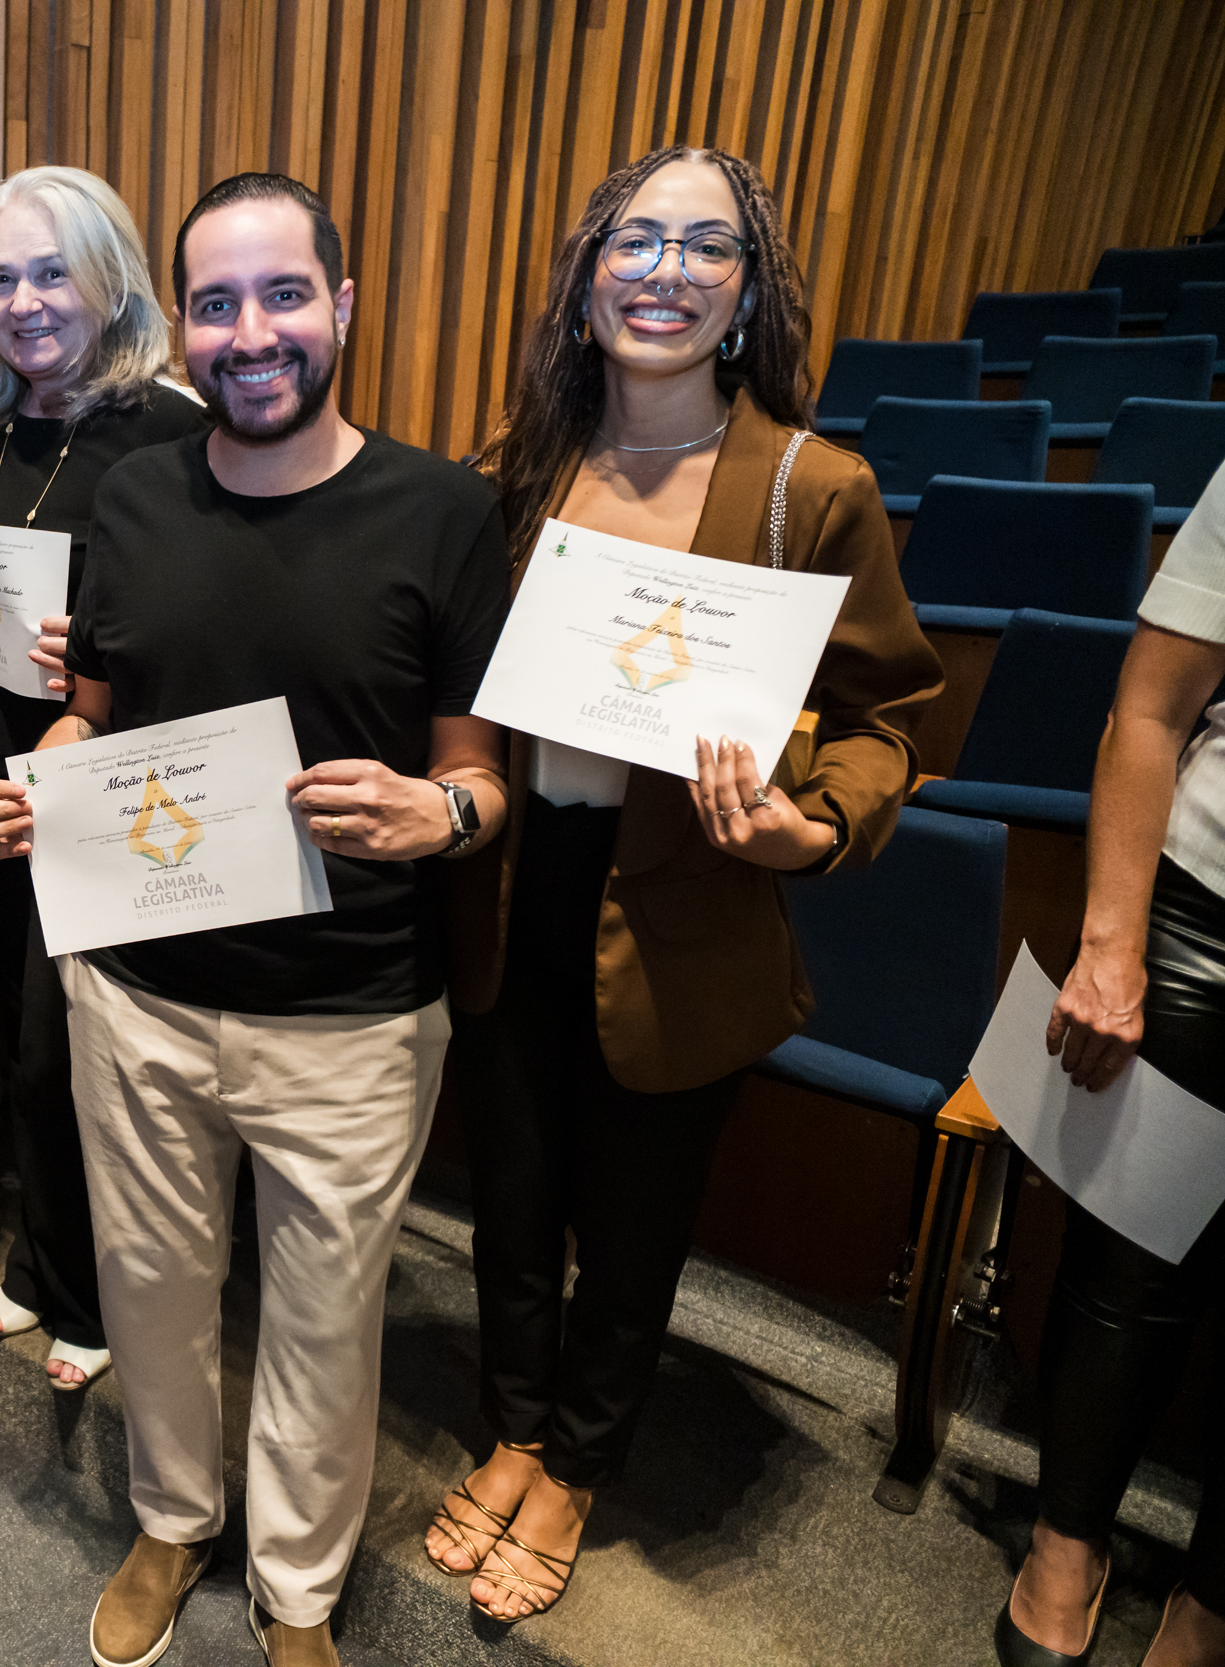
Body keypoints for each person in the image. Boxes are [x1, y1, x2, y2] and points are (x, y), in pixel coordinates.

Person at [0, 173, 511, 1667]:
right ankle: (174, 1511)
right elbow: (95, 710)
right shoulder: (134, 495)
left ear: (343, 305)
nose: (250, 331)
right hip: (134, 989)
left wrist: (432, 813)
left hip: (354, 1006)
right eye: (217, 302)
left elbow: (479, 776)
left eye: (283, 295)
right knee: (149, 1285)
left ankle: (301, 1586)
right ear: (182, 322)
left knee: (330, 1324)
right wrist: (37, 784)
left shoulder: (445, 509)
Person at [434, 147, 940, 1623]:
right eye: (634, 242)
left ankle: (581, 1460)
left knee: (636, 1217)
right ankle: (517, 1424)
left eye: (703, 247)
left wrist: (816, 828)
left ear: (745, 291)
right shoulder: (510, 470)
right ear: (588, 281)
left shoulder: (813, 486)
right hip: (517, 875)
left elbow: (892, 718)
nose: (663, 270)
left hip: (690, 899)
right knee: (513, 1192)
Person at [0, 165, 207, 1389]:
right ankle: (43, 1266)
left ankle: (91, 1292)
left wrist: (99, 649)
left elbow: (210, 625)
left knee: (73, 1050)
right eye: (2, 276)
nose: (26, 299)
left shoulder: (172, 427)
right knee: (32, 1044)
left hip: (106, 784)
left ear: (111, 278)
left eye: (52, 271)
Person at [997, 456, 1225, 1667]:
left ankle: (1211, 1600)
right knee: (1130, 1260)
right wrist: (1109, 945)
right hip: (1208, 908)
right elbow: (1149, 709)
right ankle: (1065, 1543)